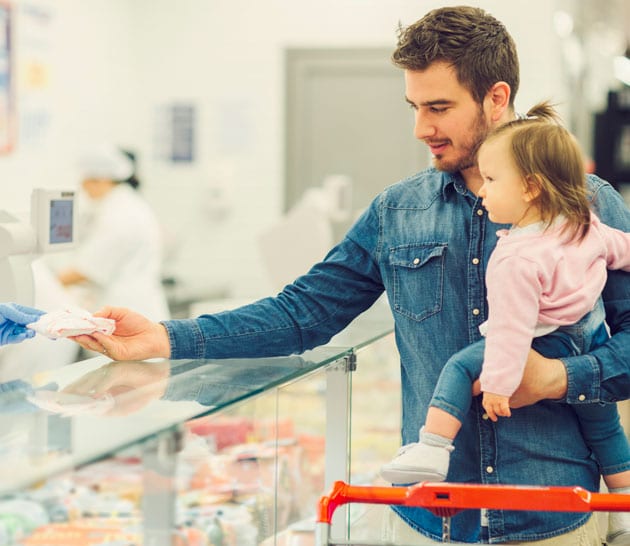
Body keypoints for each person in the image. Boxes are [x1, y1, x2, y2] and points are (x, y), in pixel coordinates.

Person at [71, 6, 630, 545]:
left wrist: (558, 377)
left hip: (555, 518)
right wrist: (165, 338)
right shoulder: (397, 211)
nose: (420, 128)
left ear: (496, 98)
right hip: (428, 520)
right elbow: (302, 314)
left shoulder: (589, 206)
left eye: (437, 107)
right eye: (412, 106)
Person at [379, 102, 630, 545]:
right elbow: (622, 249)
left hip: (540, 345)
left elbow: (511, 330)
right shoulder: (582, 224)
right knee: (605, 427)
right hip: (587, 342)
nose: (483, 192)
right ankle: (625, 505)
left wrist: (498, 383)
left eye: (492, 181)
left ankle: (433, 449)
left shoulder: (514, 256)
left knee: (459, 368)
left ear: (530, 188)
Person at [55, 145, 170, 321]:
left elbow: (86, 270)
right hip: (127, 309)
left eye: (86, 179)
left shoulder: (121, 214)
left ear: (102, 179)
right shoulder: (121, 205)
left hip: (129, 314)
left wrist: (43, 285)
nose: (82, 185)